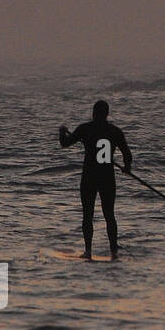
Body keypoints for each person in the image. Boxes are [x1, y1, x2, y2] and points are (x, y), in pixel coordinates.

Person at [59, 100, 132, 260]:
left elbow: (64, 144)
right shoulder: (115, 131)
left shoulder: (85, 129)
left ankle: (88, 251)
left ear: (93, 113)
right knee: (109, 214)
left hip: (89, 177)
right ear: (107, 114)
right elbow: (127, 154)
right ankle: (114, 251)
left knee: (87, 215)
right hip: (107, 177)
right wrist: (127, 167)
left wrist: (62, 131)